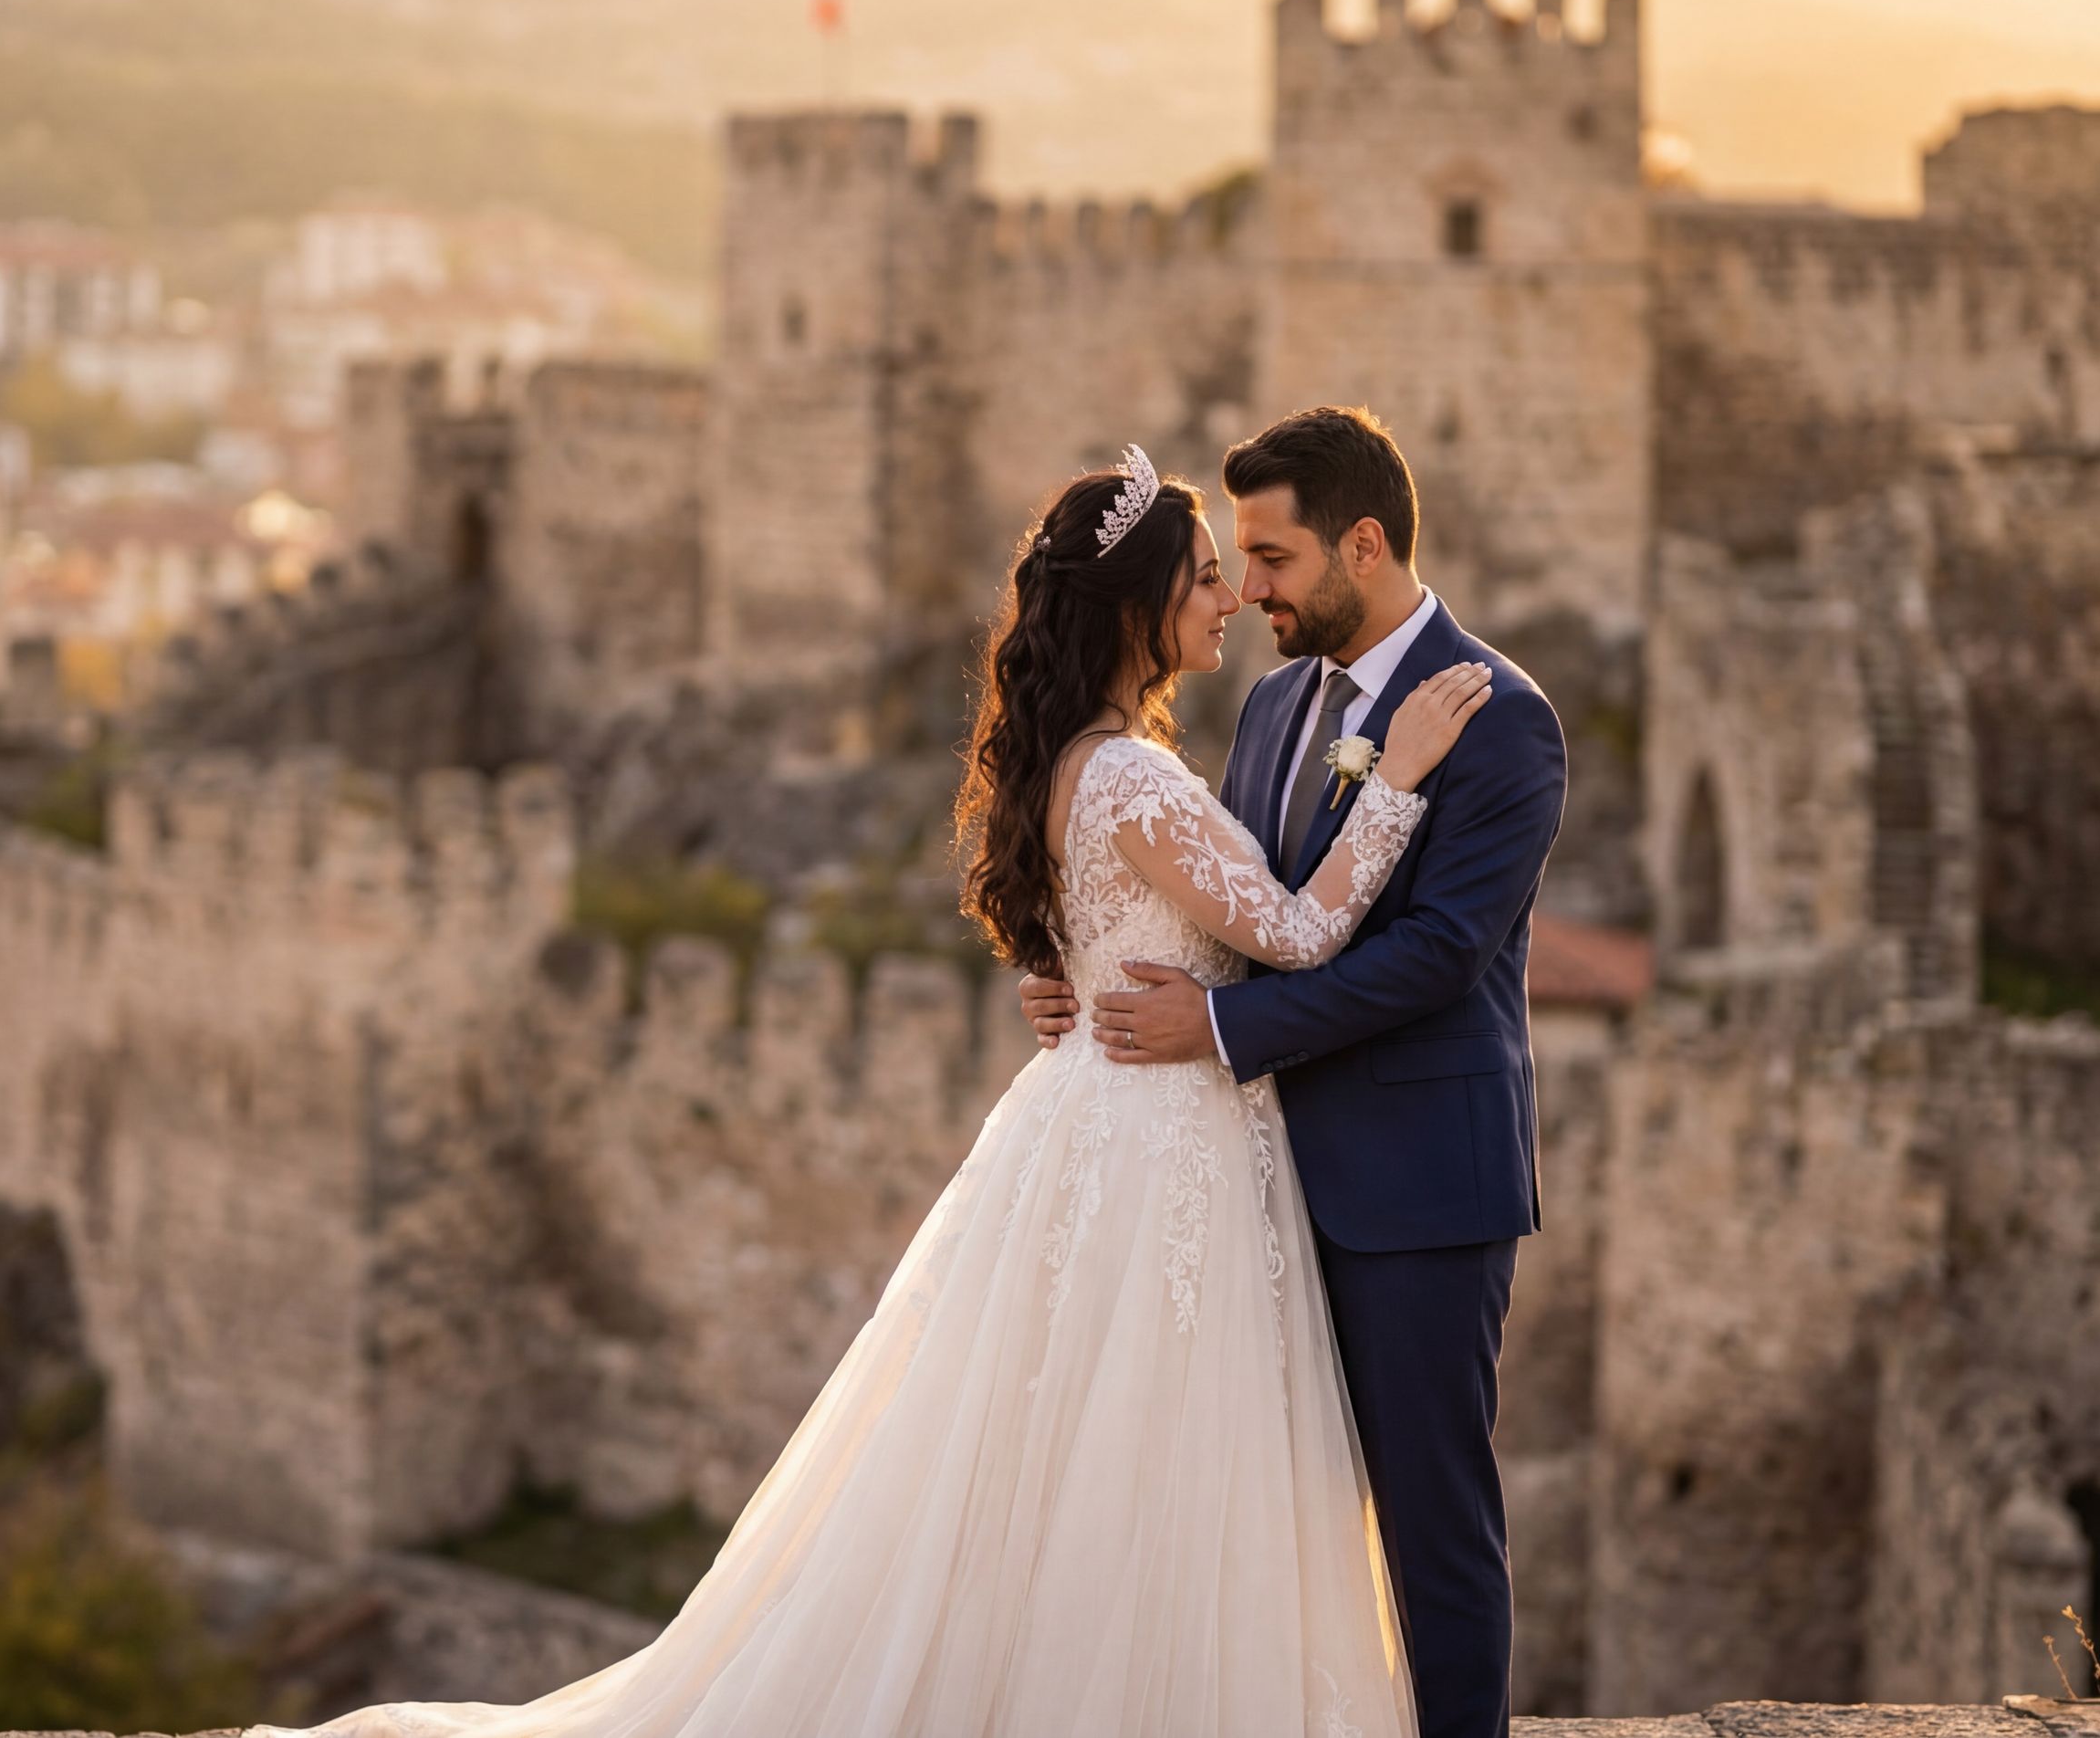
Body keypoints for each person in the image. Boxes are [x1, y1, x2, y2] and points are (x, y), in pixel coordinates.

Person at [246, 436, 1496, 1738]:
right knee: (1148, 1462)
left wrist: (1080, 980)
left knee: (1077, 1465)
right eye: (1200, 576)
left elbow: (1127, 932)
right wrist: (1396, 780)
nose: (1229, 595)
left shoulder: (1081, 759)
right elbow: (1297, 932)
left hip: (1113, 1119)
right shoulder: (1128, 771)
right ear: (1137, 605)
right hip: (1159, 1140)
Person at [1019, 405, 1567, 1738]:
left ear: (1363, 545)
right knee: (1248, 1525)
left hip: (1414, 1193)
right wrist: (1090, 978)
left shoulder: (1499, 721)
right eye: (1235, 563)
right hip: (1243, 1186)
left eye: (1269, 557)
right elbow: (1241, 912)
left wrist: (1217, 1033)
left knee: (1432, 1532)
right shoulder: (1271, 708)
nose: (1248, 587)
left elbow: (1436, 956)